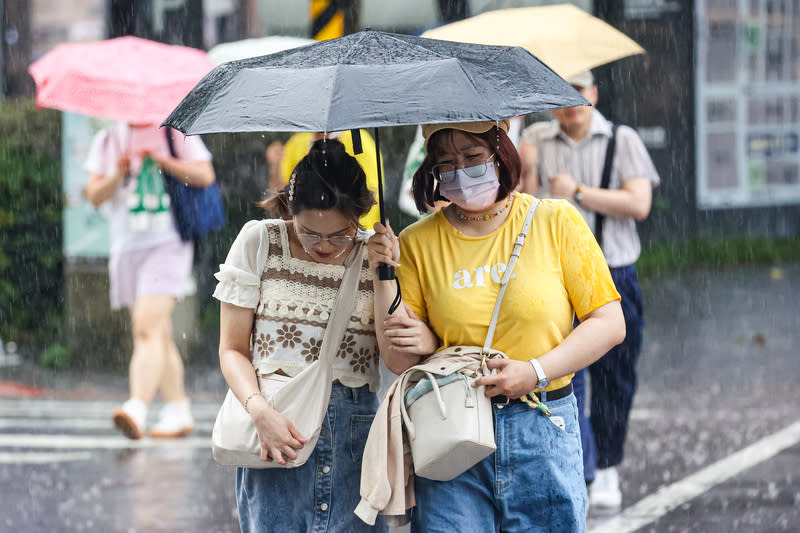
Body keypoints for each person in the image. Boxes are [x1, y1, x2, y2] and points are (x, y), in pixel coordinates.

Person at [367, 120, 626, 532]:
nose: (460, 171)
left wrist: (535, 371)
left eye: (472, 157)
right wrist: (382, 276)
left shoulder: (555, 221)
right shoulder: (416, 243)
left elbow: (609, 322)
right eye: (445, 162)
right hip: (452, 431)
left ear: (500, 151)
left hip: (541, 424)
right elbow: (400, 360)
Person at [214, 139, 387, 532]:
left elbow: (396, 359)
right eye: (310, 233)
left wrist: (386, 275)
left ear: (360, 215)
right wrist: (259, 412)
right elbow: (232, 349)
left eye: (341, 235)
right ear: (290, 210)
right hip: (274, 429)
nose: (325, 247)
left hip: (355, 436)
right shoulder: (260, 242)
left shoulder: (376, 253)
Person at [521, 70, 661, 510]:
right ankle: (580, 463)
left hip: (613, 273)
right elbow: (521, 202)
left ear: (594, 94)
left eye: (578, 91)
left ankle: (608, 468)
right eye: (560, 93)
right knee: (564, 376)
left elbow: (639, 204)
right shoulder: (537, 139)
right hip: (557, 279)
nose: (570, 101)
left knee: (615, 376)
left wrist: (579, 192)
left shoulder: (622, 139)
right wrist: (525, 165)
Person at [84, 121, 216, 440]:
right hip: (128, 245)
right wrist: (119, 172)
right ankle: (178, 409)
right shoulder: (109, 138)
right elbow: (94, 195)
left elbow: (205, 175)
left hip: (168, 243)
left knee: (145, 325)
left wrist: (164, 161)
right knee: (157, 331)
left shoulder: (174, 133)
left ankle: (137, 406)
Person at [266, 129, 382, 228]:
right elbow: (282, 195)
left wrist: (343, 234)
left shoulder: (359, 142)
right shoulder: (297, 143)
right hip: (306, 237)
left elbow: (369, 197)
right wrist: (276, 166)